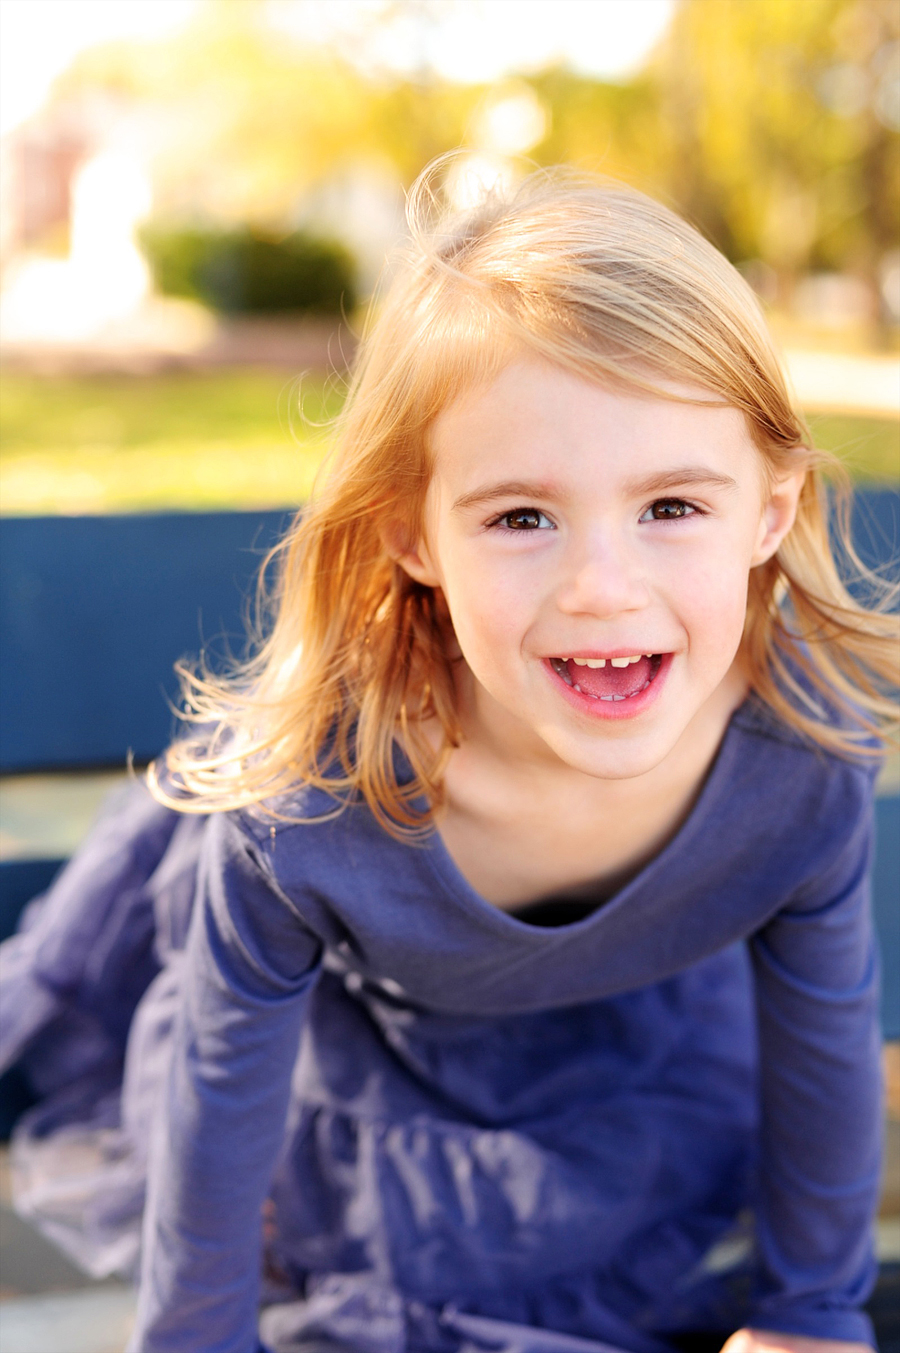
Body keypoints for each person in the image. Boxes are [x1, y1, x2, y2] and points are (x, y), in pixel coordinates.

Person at [0, 163, 897, 1353]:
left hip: (630, 1063)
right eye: (522, 517)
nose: (601, 588)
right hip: (361, 1080)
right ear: (414, 535)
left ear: (770, 511)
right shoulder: (315, 808)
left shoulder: (799, 761)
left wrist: (811, 1314)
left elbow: (828, 1047)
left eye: (672, 507)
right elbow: (218, 1089)